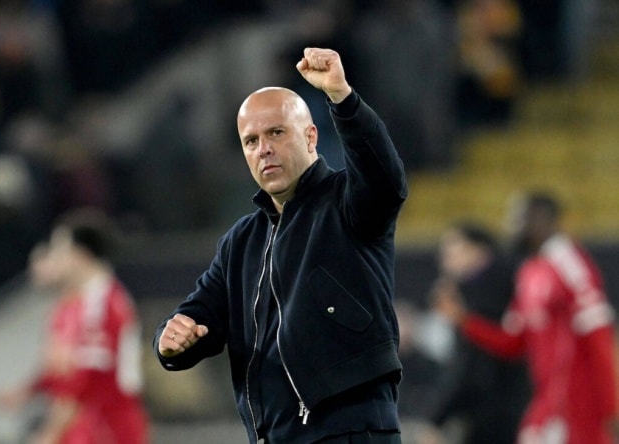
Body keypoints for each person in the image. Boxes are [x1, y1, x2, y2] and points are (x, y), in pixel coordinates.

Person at [154, 47, 407, 443]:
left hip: (350, 431)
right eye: (250, 141)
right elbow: (197, 317)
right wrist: (168, 341)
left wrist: (342, 97)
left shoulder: (348, 202)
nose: (263, 149)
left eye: (276, 133)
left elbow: (384, 175)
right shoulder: (241, 241)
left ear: (310, 137)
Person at [436, 192, 617, 444]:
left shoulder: (570, 264)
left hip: (578, 403)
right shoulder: (529, 272)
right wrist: (464, 320)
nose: (511, 226)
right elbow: (514, 342)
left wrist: (611, 407)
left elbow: (597, 336)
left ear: (542, 219)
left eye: (518, 218)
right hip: (547, 403)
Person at [0, 209, 149, 444]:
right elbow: (65, 371)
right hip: (84, 427)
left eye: (60, 250)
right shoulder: (75, 304)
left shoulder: (103, 304)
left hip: (108, 428)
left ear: (81, 255)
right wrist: (28, 392)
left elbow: (90, 380)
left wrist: (50, 432)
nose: (55, 257)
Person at [428, 222, 529, 444]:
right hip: (508, 406)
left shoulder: (489, 294)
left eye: (451, 251)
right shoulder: (494, 283)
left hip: (499, 411)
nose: (444, 259)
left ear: (478, 251)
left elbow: (474, 365)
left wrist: (437, 419)